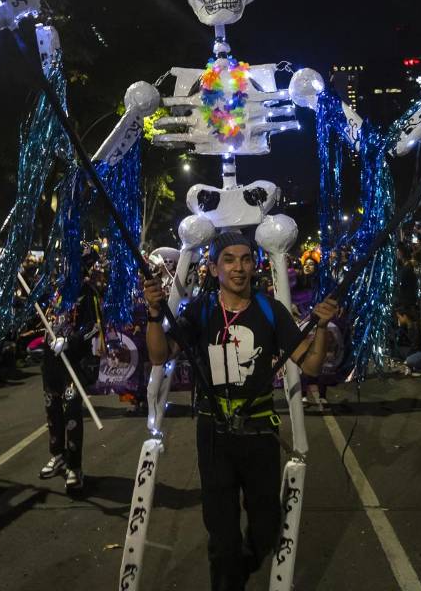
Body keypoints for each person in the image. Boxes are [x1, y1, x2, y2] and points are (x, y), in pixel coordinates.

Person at [143, 230, 335, 591]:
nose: (239, 267)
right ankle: (228, 578)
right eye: (229, 260)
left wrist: (321, 328)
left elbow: (310, 365)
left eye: (246, 259)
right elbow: (159, 354)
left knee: (266, 528)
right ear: (215, 268)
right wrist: (155, 313)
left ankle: (240, 568)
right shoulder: (200, 311)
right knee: (222, 535)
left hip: (260, 431)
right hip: (214, 435)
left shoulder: (269, 310)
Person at [38, 266, 103, 492]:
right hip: (51, 363)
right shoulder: (53, 291)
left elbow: (94, 327)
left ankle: (75, 466)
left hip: (74, 363)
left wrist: (70, 341)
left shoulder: (87, 292)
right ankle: (58, 456)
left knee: (71, 412)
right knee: (52, 410)